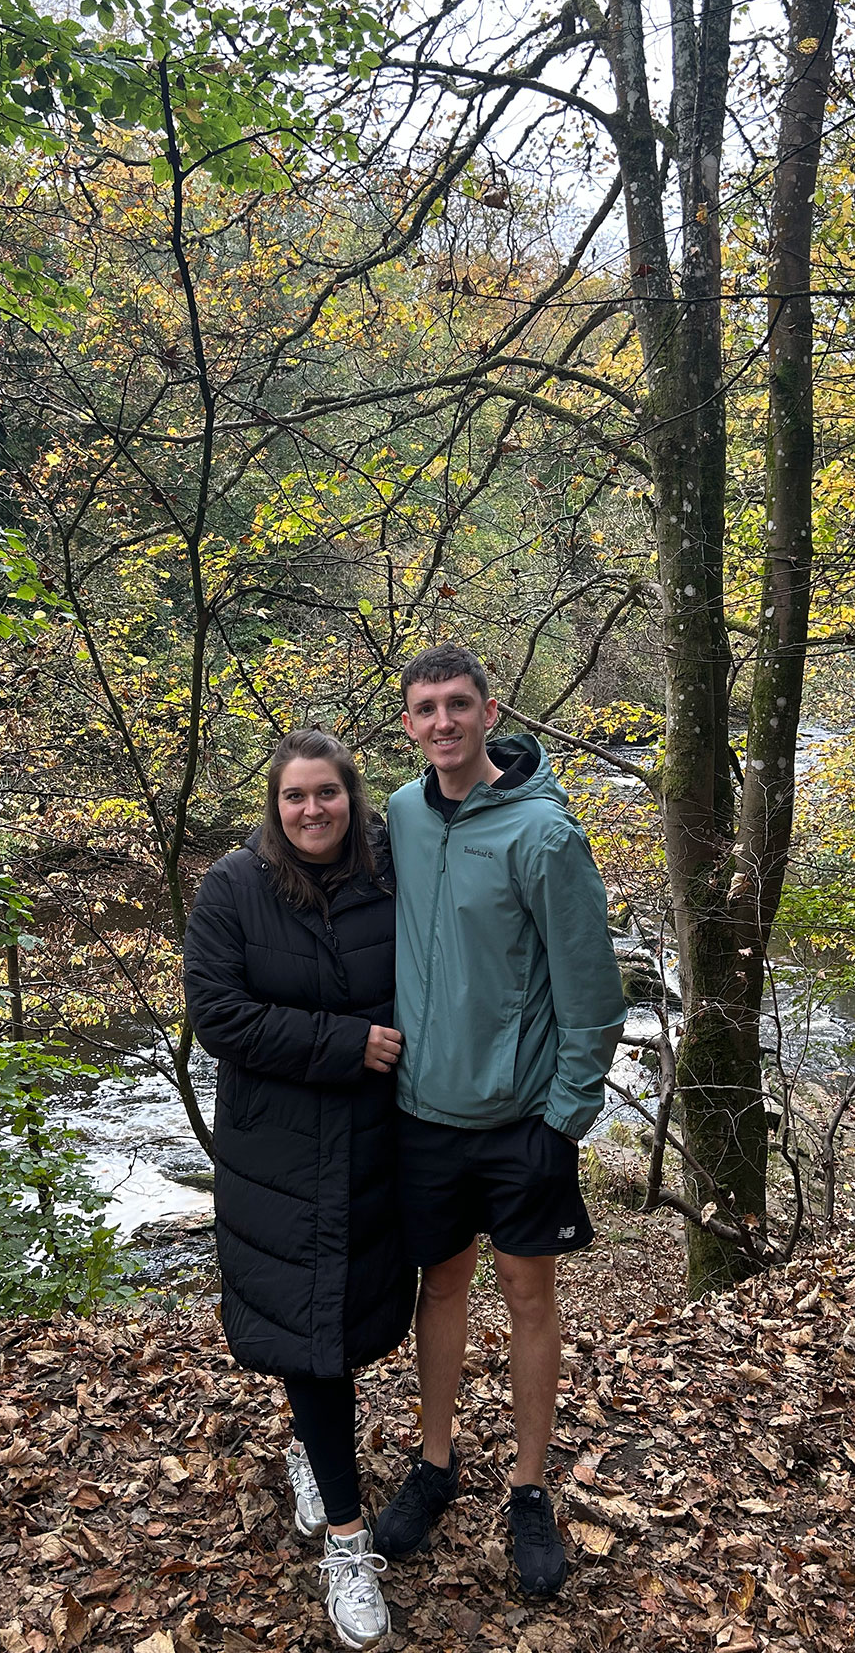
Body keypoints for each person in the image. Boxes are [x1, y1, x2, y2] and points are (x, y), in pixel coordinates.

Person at [374, 644, 626, 1598]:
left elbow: (592, 991)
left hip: (523, 1118)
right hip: (423, 1113)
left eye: (458, 706)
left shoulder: (545, 836)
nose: (442, 722)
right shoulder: (399, 814)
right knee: (440, 1291)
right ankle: (434, 1465)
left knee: (529, 1298)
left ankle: (528, 1489)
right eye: (425, 709)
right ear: (409, 723)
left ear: (489, 712)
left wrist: (563, 1118)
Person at [183, 728, 416, 1651]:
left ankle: (311, 1454)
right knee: (312, 1330)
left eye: (328, 794)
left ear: (353, 801)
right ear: (274, 807)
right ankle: (349, 1546)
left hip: (373, 1145)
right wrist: (346, 1044)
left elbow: (469, 807)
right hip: (274, 1154)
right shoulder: (231, 889)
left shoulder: (391, 876)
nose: (313, 809)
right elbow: (220, 1017)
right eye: (295, 797)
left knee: (345, 1325)